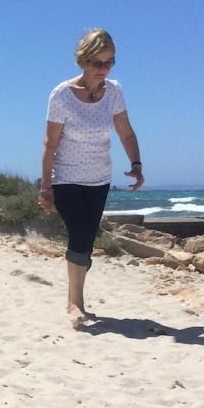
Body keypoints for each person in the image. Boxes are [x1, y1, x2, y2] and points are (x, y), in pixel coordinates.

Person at [39, 28, 143, 328]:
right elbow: (50, 143)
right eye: (98, 63)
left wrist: (136, 164)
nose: (104, 69)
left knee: (86, 239)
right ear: (83, 61)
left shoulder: (114, 92)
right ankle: (75, 303)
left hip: (99, 179)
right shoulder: (61, 95)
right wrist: (46, 185)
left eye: (110, 62)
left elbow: (126, 131)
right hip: (66, 177)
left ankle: (75, 298)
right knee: (81, 235)